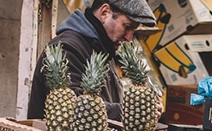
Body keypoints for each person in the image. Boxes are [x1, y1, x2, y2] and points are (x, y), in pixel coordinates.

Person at [27, 0, 156, 122]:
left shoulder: (103, 48)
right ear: (105, 13)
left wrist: (143, 108)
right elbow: (74, 109)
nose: (129, 37)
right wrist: (132, 112)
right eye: (127, 27)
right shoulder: (67, 49)